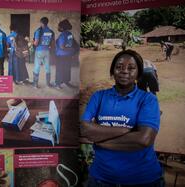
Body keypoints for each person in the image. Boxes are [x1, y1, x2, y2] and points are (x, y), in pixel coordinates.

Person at [81, 50, 164, 187]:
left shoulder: (148, 99)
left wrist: (100, 141)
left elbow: (143, 140)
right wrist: (128, 130)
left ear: (138, 73)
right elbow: (84, 129)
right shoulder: (99, 96)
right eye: (119, 67)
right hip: (100, 178)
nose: (124, 71)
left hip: (142, 180)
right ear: (112, 71)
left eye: (131, 68)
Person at [55, 19, 78, 89]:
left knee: (59, 70)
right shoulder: (70, 34)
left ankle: (58, 84)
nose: (58, 28)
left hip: (61, 56)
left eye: (58, 26)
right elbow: (71, 44)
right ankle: (66, 81)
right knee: (67, 69)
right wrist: (71, 50)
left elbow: (62, 47)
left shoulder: (62, 35)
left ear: (62, 27)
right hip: (68, 55)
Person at [32, 17, 55, 88]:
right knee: (47, 67)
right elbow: (52, 44)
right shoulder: (51, 31)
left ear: (41, 23)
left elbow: (35, 43)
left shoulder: (39, 31)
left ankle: (35, 84)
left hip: (39, 51)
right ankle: (48, 84)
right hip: (47, 51)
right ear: (47, 22)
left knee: (37, 67)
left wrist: (32, 42)